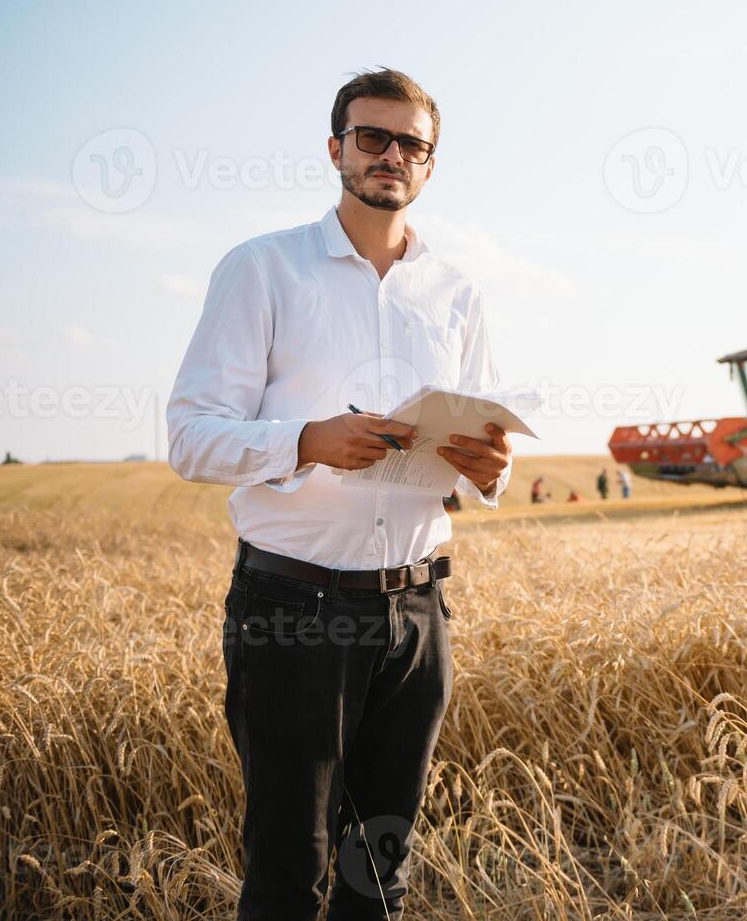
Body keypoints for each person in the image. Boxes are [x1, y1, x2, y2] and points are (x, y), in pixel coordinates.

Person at [165, 69, 514, 921]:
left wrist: (489, 470)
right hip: (294, 605)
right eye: (373, 138)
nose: (392, 155)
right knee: (291, 871)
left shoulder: (458, 293)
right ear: (336, 150)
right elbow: (190, 435)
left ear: (431, 166)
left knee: (379, 874)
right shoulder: (262, 269)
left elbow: (486, 440)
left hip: (420, 610)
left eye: (412, 144)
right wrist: (307, 441)